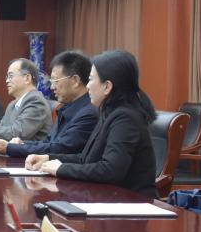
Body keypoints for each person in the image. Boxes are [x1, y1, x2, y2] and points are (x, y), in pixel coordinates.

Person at [26, 49, 157, 197]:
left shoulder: (125, 118)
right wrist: (48, 158)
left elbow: (110, 170)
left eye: (91, 80)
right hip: (108, 198)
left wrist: (61, 169)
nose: (87, 86)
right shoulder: (109, 112)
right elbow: (85, 159)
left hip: (132, 202)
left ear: (107, 86)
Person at [0, 50, 97, 157]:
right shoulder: (67, 107)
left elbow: (60, 148)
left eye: (55, 81)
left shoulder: (88, 113)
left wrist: (10, 148)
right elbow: (49, 142)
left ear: (75, 80)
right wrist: (22, 144)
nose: (52, 87)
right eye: (51, 82)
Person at [0, 58, 51, 142]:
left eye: (11, 76)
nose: (7, 81)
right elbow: (0, 129)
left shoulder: (36, 101)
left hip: (28, 150)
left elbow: (17, 133)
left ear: (27, 78)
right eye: (7, 77)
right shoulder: (12, 104)